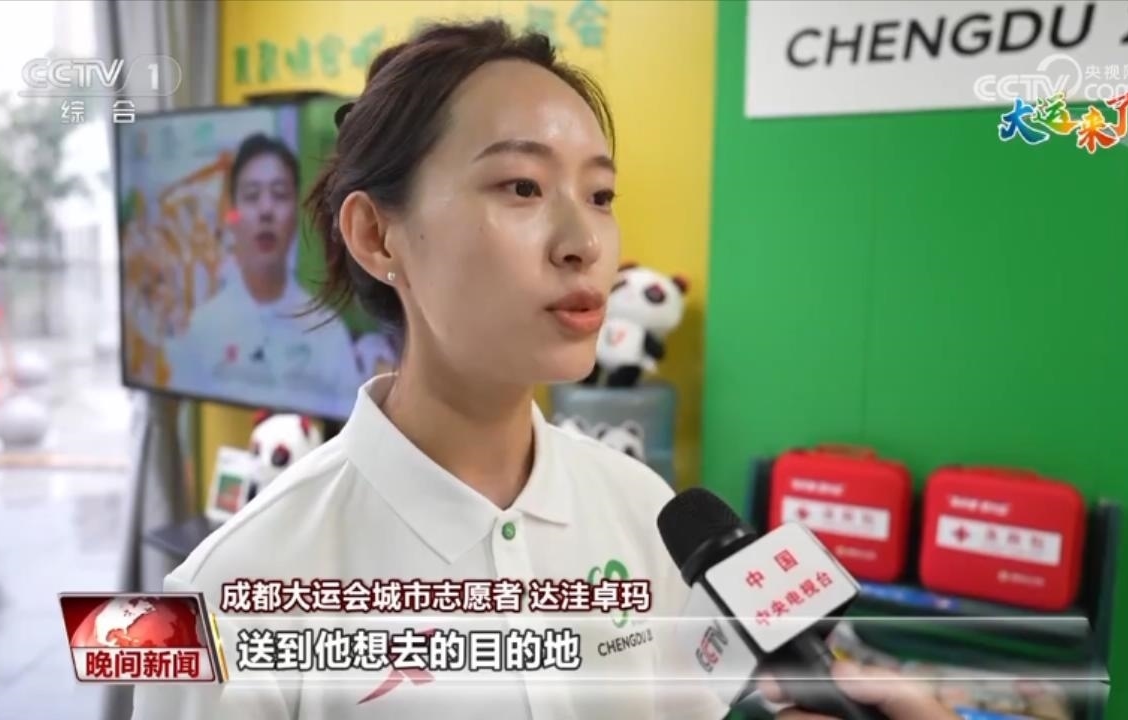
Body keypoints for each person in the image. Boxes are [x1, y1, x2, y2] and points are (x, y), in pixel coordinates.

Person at [132, 20, 960, 720]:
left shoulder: (646, 512)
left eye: (600, 195)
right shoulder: (215, 596)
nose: (585, 242)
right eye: (522, 186)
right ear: (378, 237)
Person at [163, 133, 358, 418]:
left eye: (279, 195)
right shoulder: (201, 329)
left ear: (296, 214)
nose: (266, 210)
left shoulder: (327, 332)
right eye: (252, 196)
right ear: (233, 216)